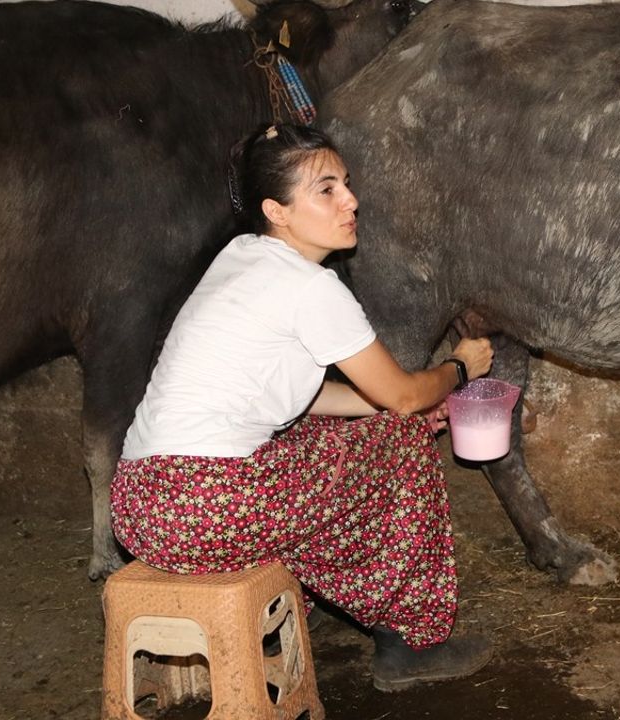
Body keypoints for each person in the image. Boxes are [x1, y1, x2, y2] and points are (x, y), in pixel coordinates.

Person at [111, 123, 495, 692]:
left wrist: (385, 412)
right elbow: (409, 393)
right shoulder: (312, 289)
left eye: (346, 184)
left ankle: (315, 596)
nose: (351, 200)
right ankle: (410, 643)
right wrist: (460, 367)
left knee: (345, 439)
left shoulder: (241, 257)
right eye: (326, 189)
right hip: (208, 504)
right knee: (403, 440)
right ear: (278, 209)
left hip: (142, 506)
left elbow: (297, 395)